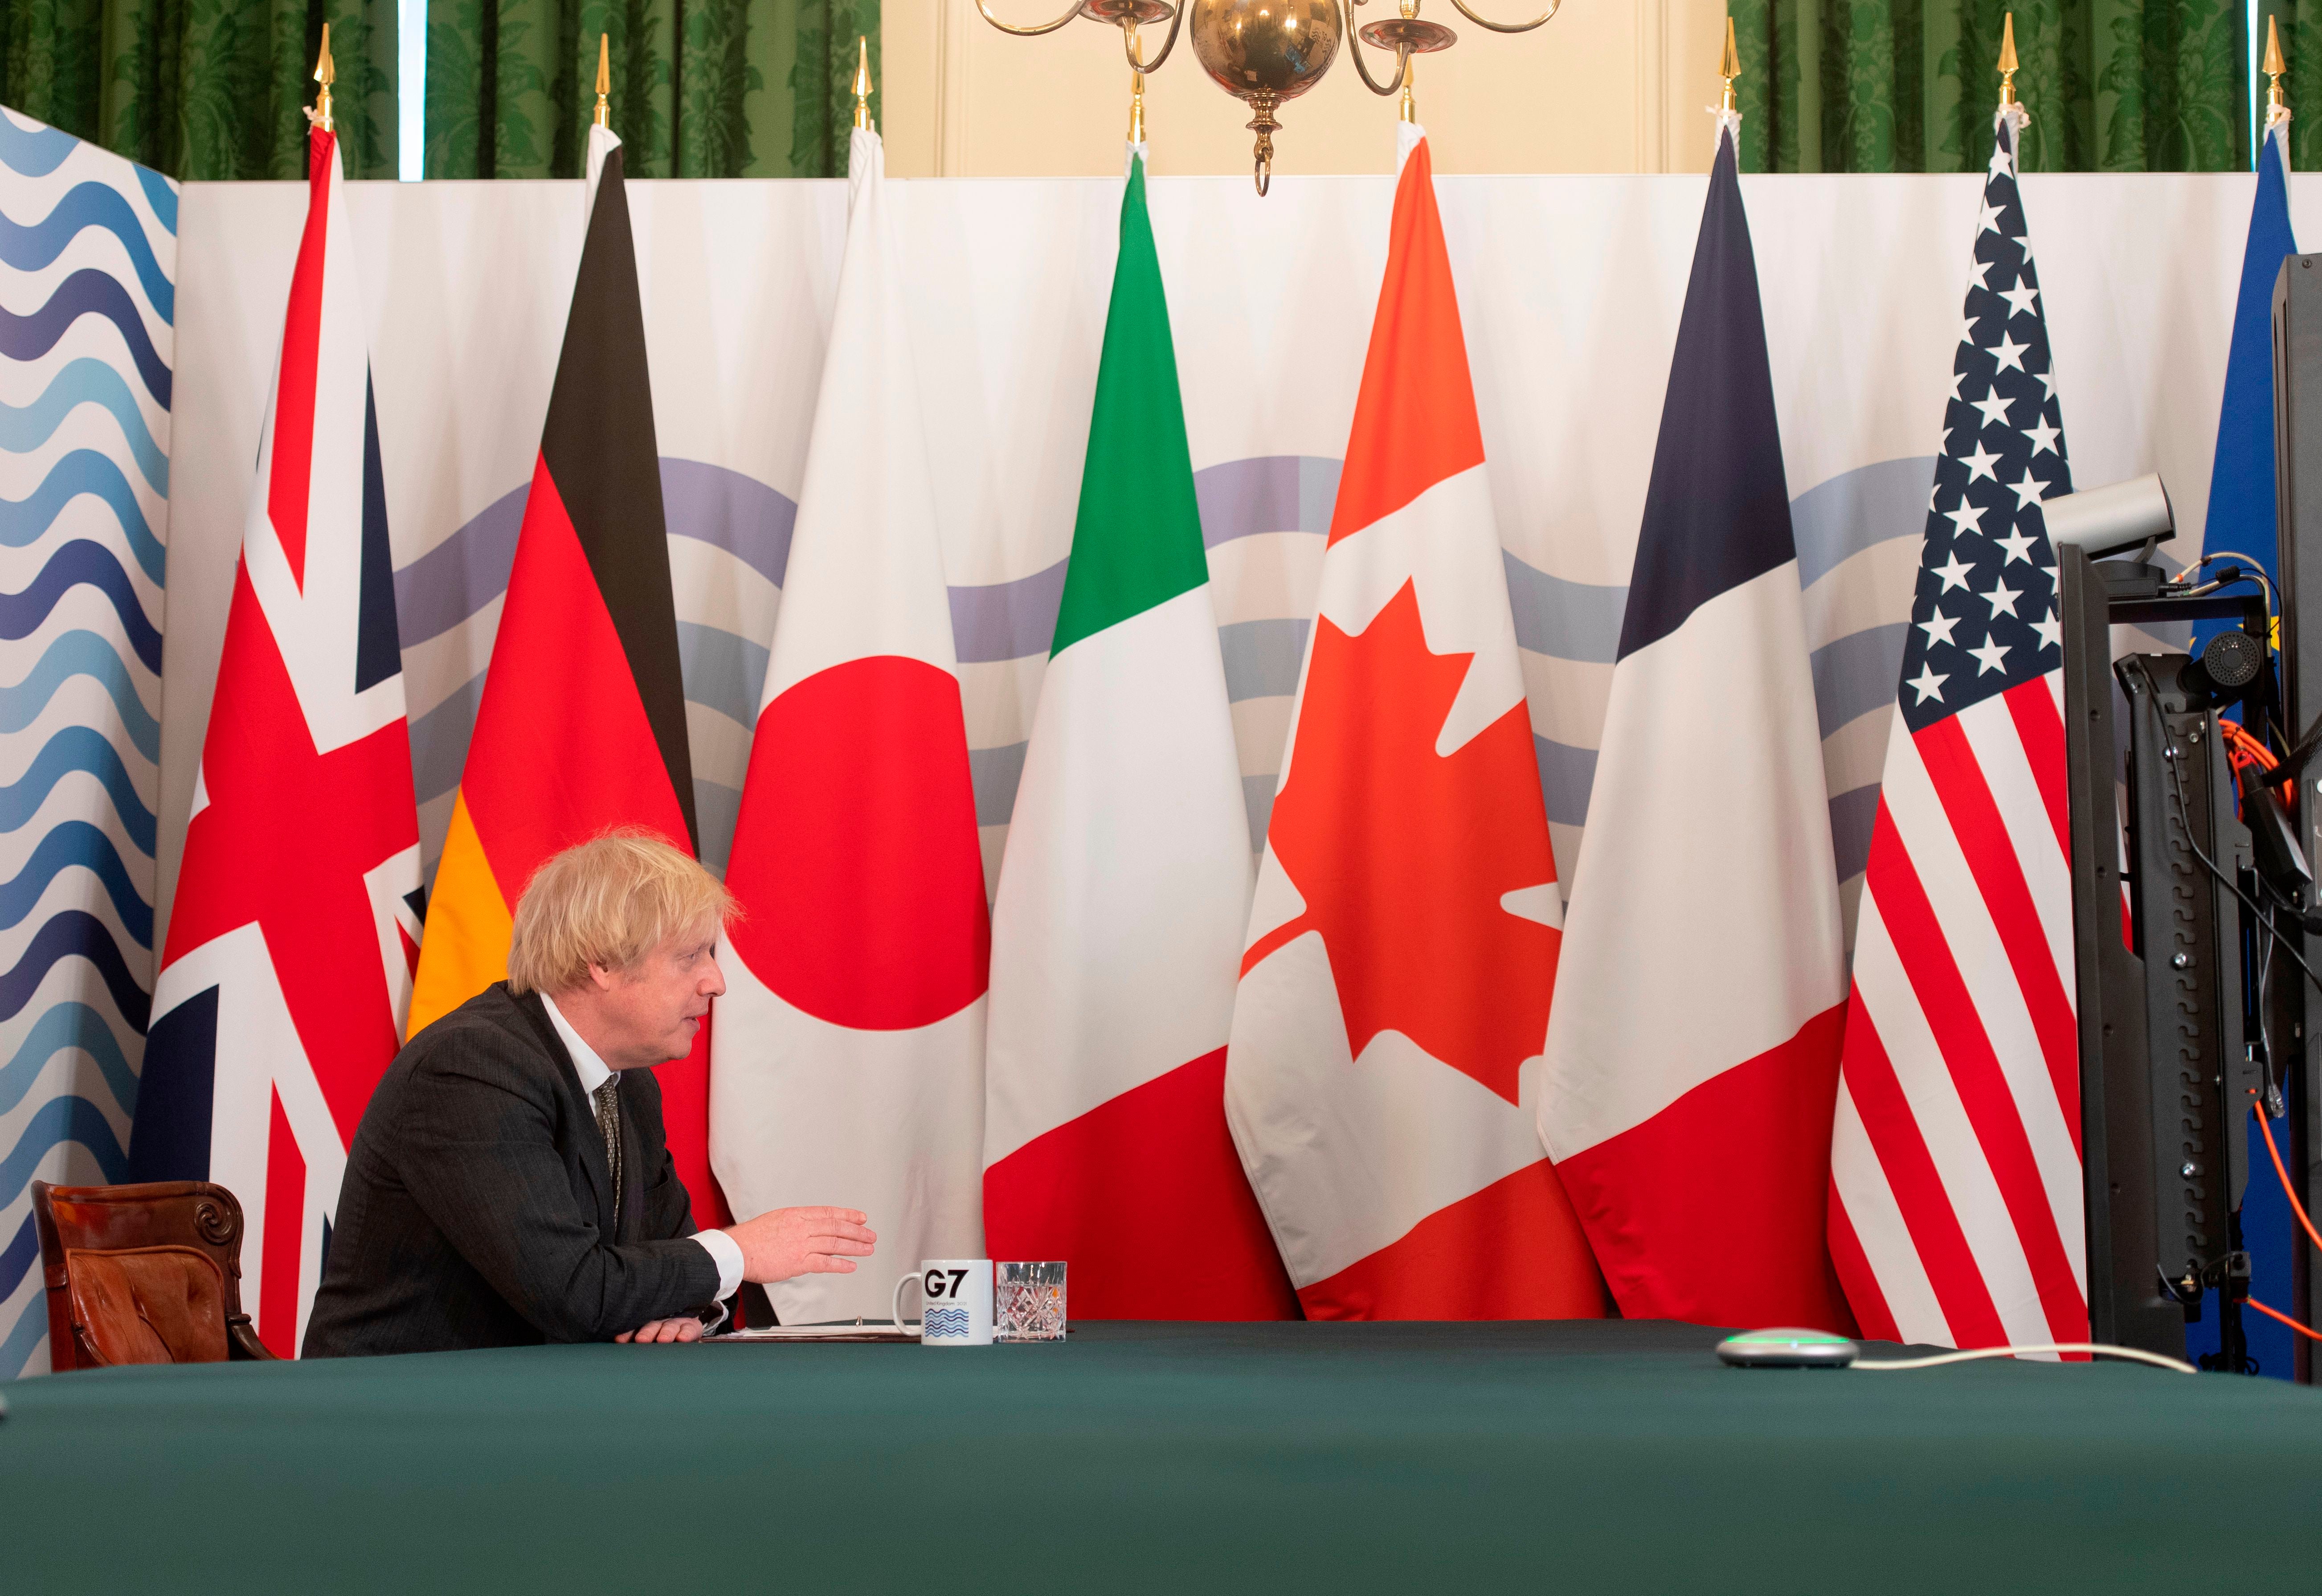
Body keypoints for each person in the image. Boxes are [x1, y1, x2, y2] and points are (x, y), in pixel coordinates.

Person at [303, 829, 875, 1356]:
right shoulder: (469, 1068)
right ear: (600, 962)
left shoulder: (627, 1084)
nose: (716, 982)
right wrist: (742, 1252)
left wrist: (688, 1310)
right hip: (395, 1424)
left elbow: (663, 1254)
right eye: (689, 957)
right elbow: (572, 1289)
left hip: (529, 1410)